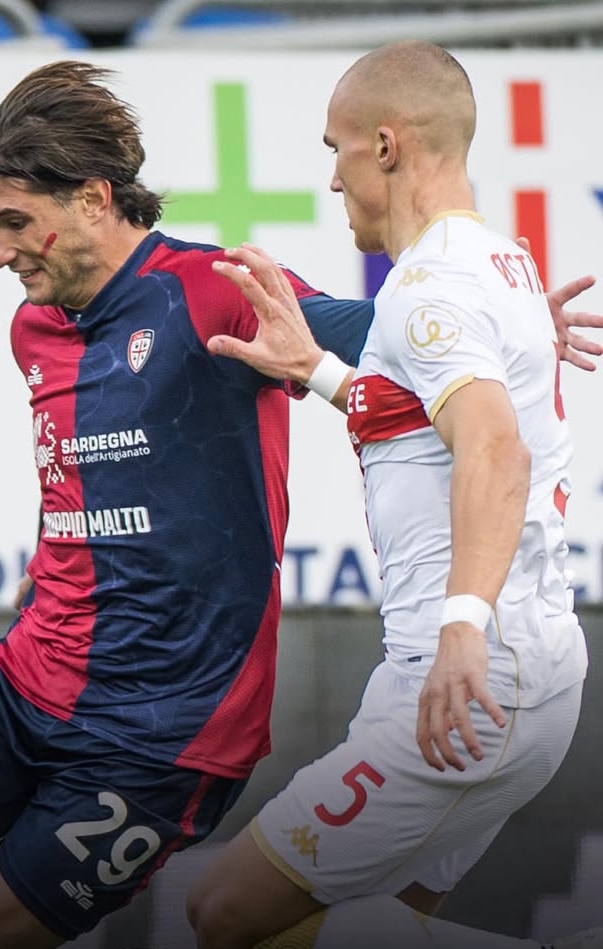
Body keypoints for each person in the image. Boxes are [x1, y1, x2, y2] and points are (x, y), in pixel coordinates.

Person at [0, 59, 600, 949]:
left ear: (96, 200)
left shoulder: (214, 289)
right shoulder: (31, 328)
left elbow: (398, 335)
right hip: (23, 683)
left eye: (13, 222)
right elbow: (71, 488)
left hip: (160, 740)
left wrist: (521, 324)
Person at [185, 40, 598, 949]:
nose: (331, 181)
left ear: (385, 145)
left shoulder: (427, 287)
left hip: (465, 678)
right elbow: (428, 424)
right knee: (367, 927)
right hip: (519, 667)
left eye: (333, 149)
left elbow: (495, 450)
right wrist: (321, 373)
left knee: (224, 917)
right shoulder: (503, 262)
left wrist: (460, 627)